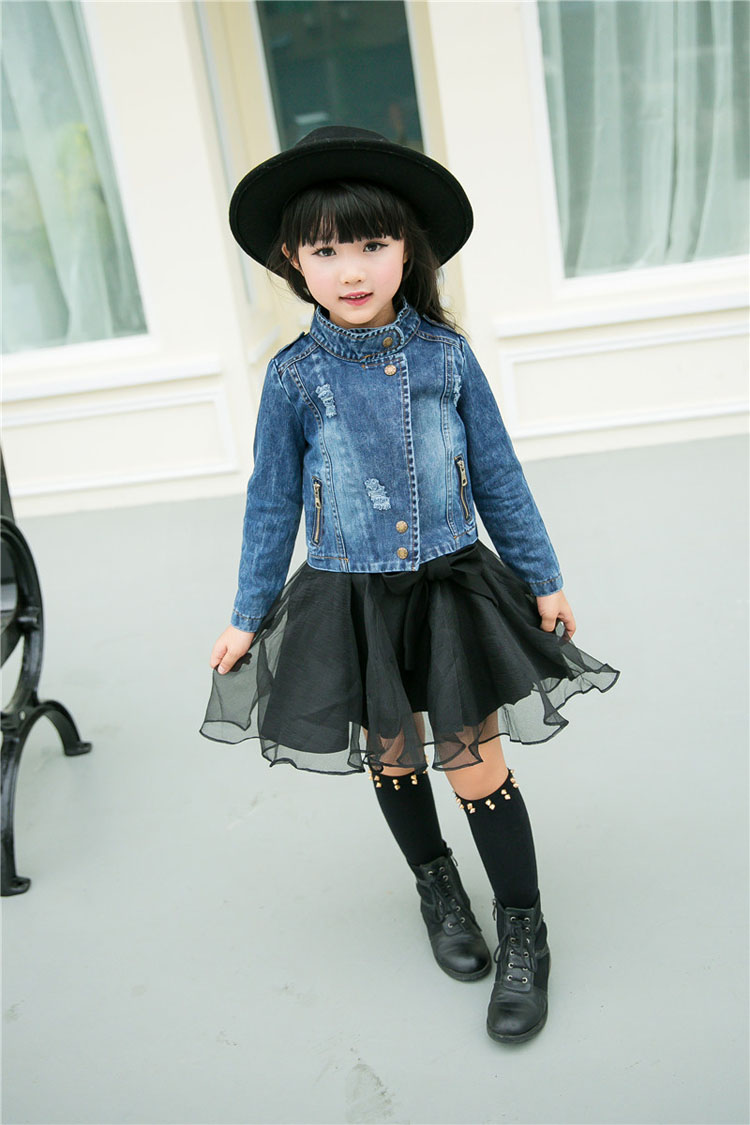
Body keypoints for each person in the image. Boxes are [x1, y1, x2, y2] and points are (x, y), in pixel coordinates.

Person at [199, 125, 620, 1044]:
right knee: (392, 755)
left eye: (372, 244)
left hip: (450, 592)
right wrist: (246, 614)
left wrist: (542, 575)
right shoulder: (292, 378)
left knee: (475, 761)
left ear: (407, 250)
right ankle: (438, 887)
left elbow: (498, 474)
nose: (352, 270)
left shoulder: (446, 358)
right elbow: (271, 502)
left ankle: (524, 927)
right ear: (293, 259)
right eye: (326, 250)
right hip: (349, 599)